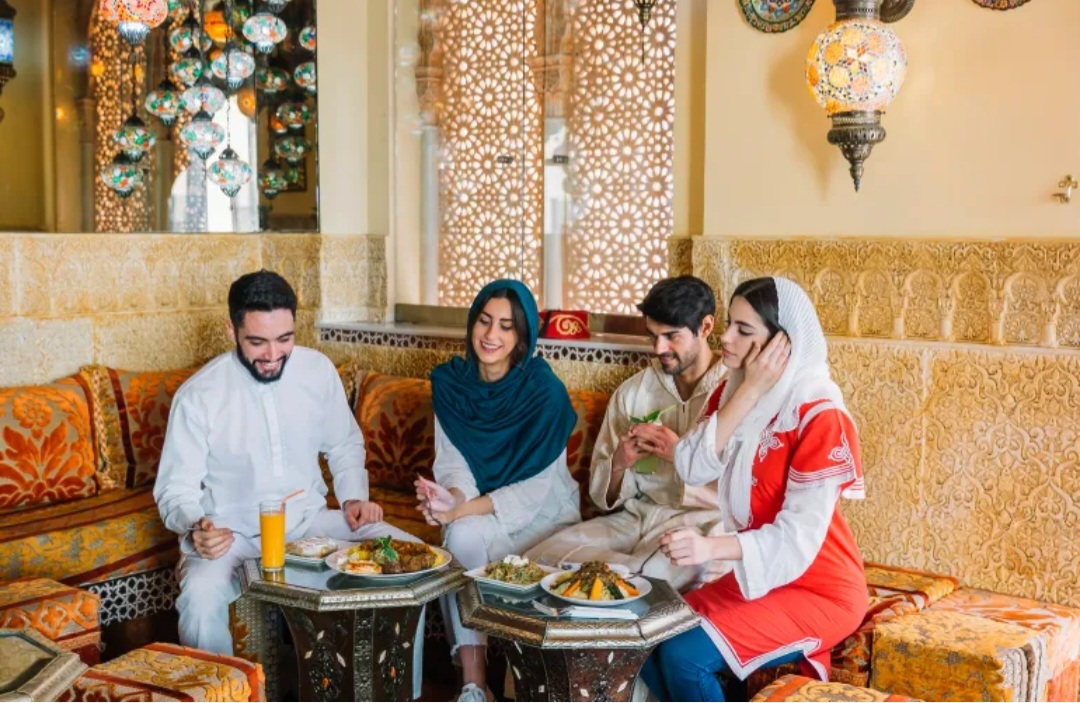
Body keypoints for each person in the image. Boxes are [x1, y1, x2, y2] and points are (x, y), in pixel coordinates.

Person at [154, 270, 418, 656]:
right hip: (232, 537)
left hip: (309, 523)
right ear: (231, 330)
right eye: (257, 342)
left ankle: (404, 686)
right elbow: (174, 490)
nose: (273, 355)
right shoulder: (198, 395)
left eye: (284, 339)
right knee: (199, 601)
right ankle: (225, 688)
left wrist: (352, 499)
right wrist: (197, 525)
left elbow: (344, 444)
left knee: (412, 557)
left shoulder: (317, 371)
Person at [640, 276, 868, 702]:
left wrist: (710, 548)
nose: (725, 337)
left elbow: (796, 540)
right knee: (649, 639)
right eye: (729, 323)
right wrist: (750, 390)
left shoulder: (820, 414)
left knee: (684, 657)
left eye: (743, 330)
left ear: (782, 344)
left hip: (820, 588)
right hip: (767, 575)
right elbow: (690, 465)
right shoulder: (735, 390)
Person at [414, 279, 580, 703]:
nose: (491, 335)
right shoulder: (453, 385)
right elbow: (454, 463)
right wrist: (451, 499)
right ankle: (474, 684)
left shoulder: (545, 394)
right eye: (484, 321)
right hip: (481, 511)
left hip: (542, 520)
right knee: (459, 537)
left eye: (506, 326)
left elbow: (532, 494)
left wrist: (461, 509)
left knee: (460, 527)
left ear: (522, 336)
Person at [525, 276, 727, 590]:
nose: (659, 349)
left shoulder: (733, 395)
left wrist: (681, 456)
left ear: (706, 326)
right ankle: (623, 581)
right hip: (635, 517)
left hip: (700, 521)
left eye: (671, 336)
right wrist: (619, 463)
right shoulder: (634, 392)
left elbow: (750, 490)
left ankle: (626, 584)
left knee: (652, 576)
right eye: (653, 336)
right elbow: (602, 495)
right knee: (537, 559)